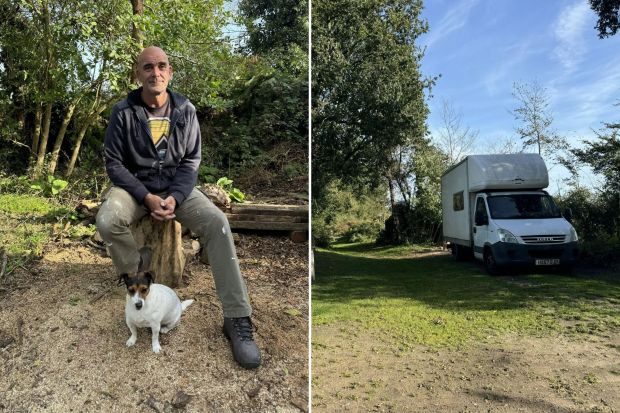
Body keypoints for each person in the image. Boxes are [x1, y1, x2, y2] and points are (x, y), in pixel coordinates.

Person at [96, 46, 260, 369]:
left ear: (169, 73)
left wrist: (176, 196)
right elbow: (114, 163)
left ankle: (237, 318)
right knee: (107, 219)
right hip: (135, 190)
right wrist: (146, 196)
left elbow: (191, 161)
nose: (155, 73)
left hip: (176, 190)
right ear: (137, 74)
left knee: (218, 223)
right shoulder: (123, 112)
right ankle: (138, 276)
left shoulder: (185, 110)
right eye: (147, 67)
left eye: (161, 66)